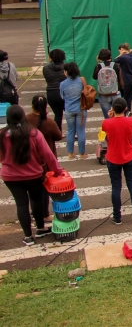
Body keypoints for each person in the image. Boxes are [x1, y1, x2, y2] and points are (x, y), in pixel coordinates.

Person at [1, 105, 65, 246]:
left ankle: (28, 236)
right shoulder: (33, 133)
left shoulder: (2, 135)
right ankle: (40, 228)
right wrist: (57, 170)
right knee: (36, 200)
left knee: (21, 203)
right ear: (23, 116)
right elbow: (47, 155)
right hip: (33, 175)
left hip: (10, 177)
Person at [101, 97, 132, 224]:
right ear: (125, 108)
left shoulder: (106, 123)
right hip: (129, 155)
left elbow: (104, 136)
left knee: (116, 187)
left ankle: (117, 216)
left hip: (113, 157)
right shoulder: (131, 121)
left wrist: (110, 117)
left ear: (112, 108)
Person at [27, 94, 62, 222]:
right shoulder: (49, 122)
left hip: (30, 158)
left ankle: (34, 211)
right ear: (46, 106)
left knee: (33, 190)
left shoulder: (26, 120)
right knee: (44, 188)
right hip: (45, 161)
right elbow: (58, 136)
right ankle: (44, 213)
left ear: (32, 105)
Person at [60, 62, 87, 160]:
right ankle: (82, 153)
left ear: (66, 72)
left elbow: (62, 96)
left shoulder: (63, 84)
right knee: (81, 131)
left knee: (70, 131)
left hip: (69, 109)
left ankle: (70, 153)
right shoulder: (81, 81)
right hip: (81, 109)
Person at [92, 48, 123, 119]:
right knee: (118, 115)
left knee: (108, 116)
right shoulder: (116, 65)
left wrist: (98, 62)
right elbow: (121, 80)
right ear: (110, 56)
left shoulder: (99, 66)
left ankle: (109, 128)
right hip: (115, 93)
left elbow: (94, 77)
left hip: (103, 94)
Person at [42, 49, 67, 131]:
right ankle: (72, 132)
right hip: (64, 92)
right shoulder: (66, 67)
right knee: (69, 114)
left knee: (57, 114)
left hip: (51, 93)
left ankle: (58, 132)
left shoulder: (45, 68)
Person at [115, 43, 132, 112]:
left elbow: (115, 61)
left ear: (121, 49)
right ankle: (128, 112)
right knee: (129, 98)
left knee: (125, 98)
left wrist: (121, 54)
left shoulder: (123, 57)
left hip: (126, 81)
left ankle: (125, 112)